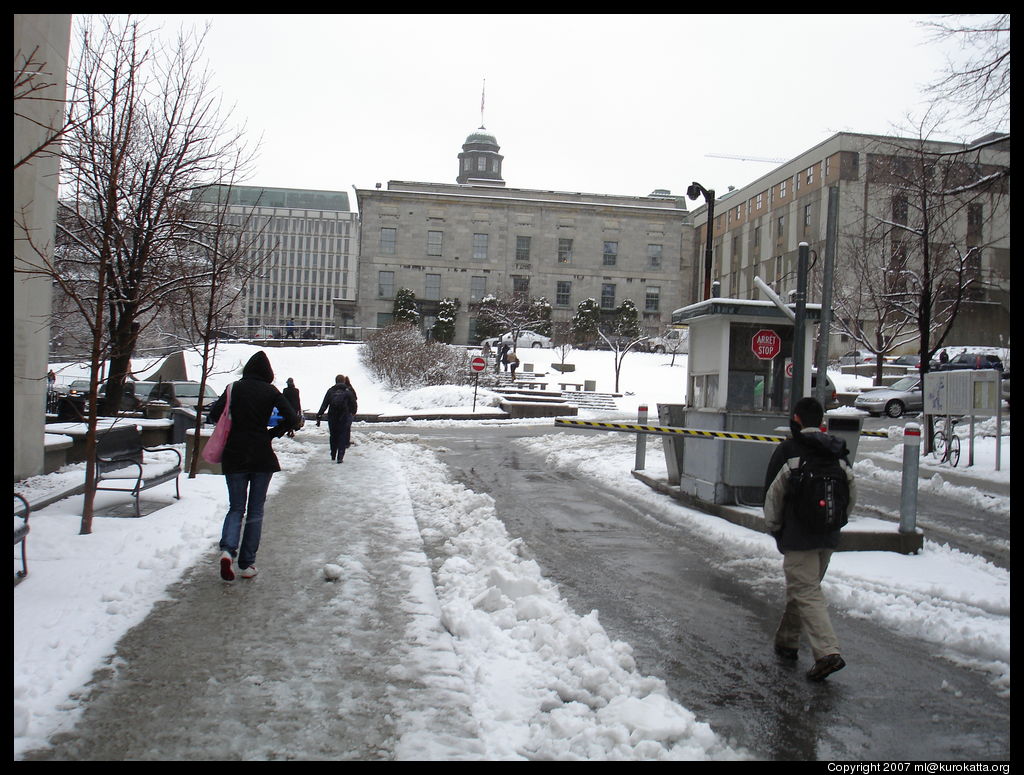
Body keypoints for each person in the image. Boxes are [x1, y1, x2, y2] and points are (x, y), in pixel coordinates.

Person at [763, 396, 856, 682]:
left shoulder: (789, 451)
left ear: (797, 419)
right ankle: (788, 641)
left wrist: (776, 529)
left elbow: (772, 496)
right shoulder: (837, 453)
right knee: (805, 587)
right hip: (828, 534)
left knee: (806, 590)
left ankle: (827, 652)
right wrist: (838, 523)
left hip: (798, 534)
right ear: (822, 421)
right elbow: (850, 494)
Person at [205, 351, 300, 581]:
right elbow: (293, 419)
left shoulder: (232, 388)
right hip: (261, 455)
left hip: (234, 454)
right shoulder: (271, 391)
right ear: (268, 373)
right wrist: (272, 434)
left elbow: (213, 416)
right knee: (255, 510)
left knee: (236, 507)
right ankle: (247, 564)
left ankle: (228, 550)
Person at [316, 374, 358, 463]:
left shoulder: (330, 391)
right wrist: (352, 413)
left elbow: (324, 404)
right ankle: (340, 457)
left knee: (333, 435)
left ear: (335, 381)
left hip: (332, 416)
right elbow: (354, 404)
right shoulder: (347, 391)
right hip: (344, 416)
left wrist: (319, 415)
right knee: (342, 435)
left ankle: (333, 454)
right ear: (343, 381)